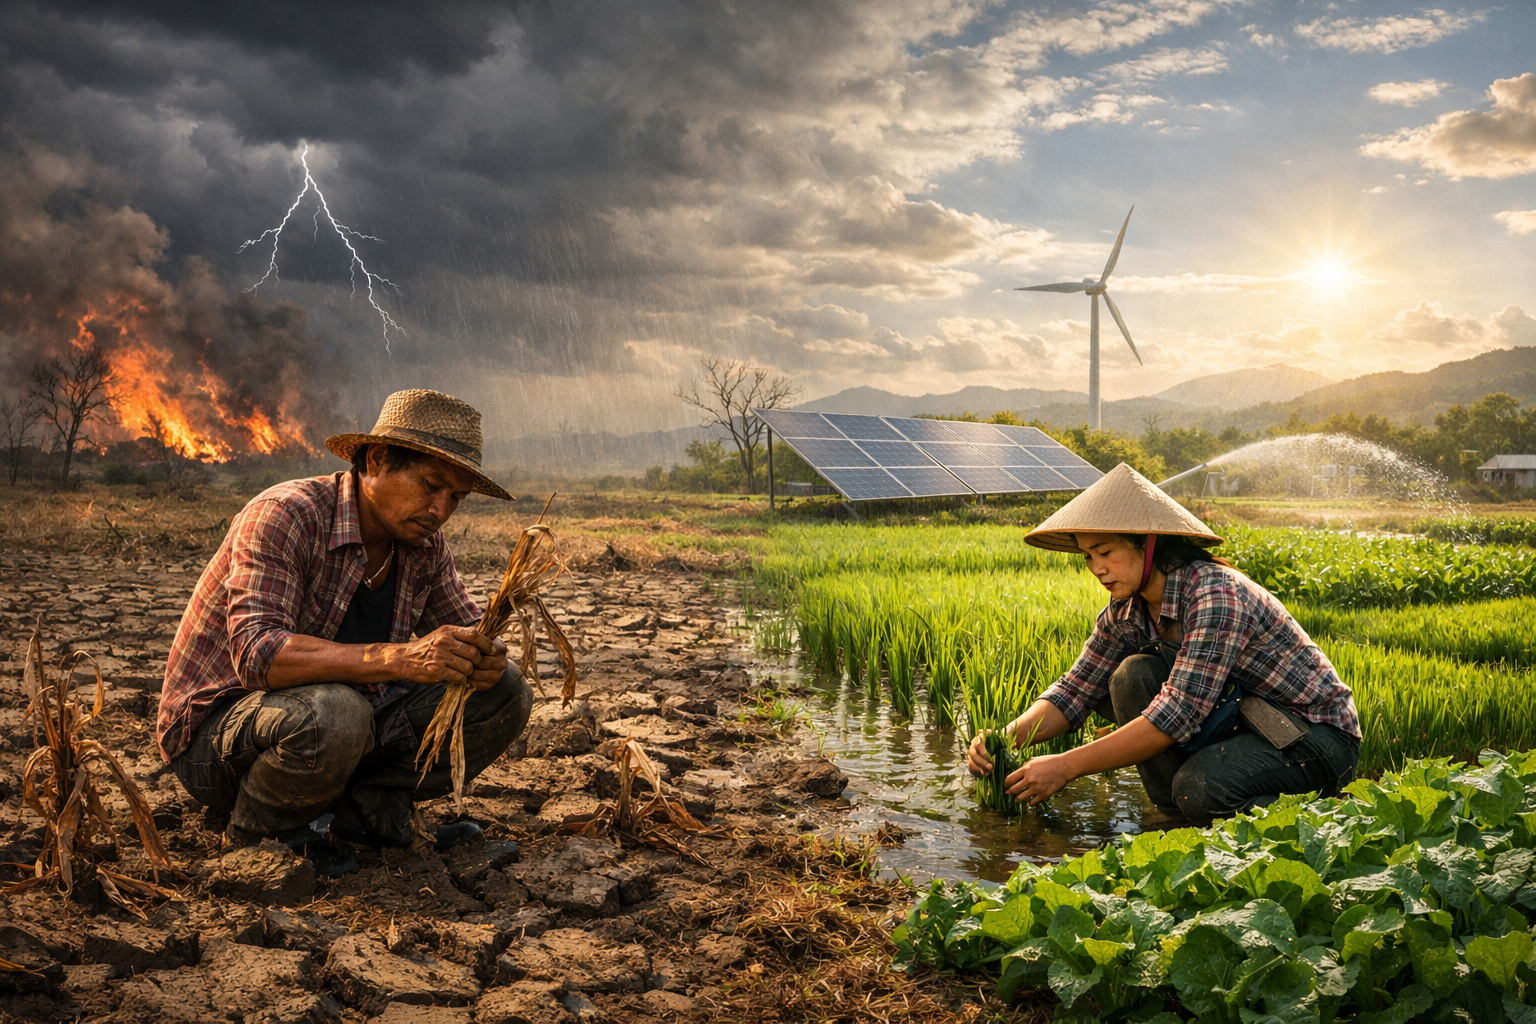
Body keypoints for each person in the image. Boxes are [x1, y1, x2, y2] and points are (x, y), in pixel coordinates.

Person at [157, 389, 534, 875]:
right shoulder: (287, 516)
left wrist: (484, 654)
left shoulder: (424, 546)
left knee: (505, 690)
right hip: (221, 742)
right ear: (376, 460)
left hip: (341, 731)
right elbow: (258, 655)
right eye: (430, 485)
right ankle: (265, 834)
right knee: (336, 709)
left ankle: (369, 812)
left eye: (455, 497)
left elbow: (464, 629)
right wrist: (398, 658)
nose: (440, 509)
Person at [966, 463, 1360, 825]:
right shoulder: (1127, 611)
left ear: (1149, 545)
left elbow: (1177, 714)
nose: (1097, 568)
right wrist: (1006, 736)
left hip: (1315, 737)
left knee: (1204, 787)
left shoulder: (1216, 594)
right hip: (1247, 722)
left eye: (1106, 552)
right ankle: (1175, 817)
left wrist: (1066, 766)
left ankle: (1326, 819)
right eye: (1087, 556)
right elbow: (1076, 690)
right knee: (1132, 675)